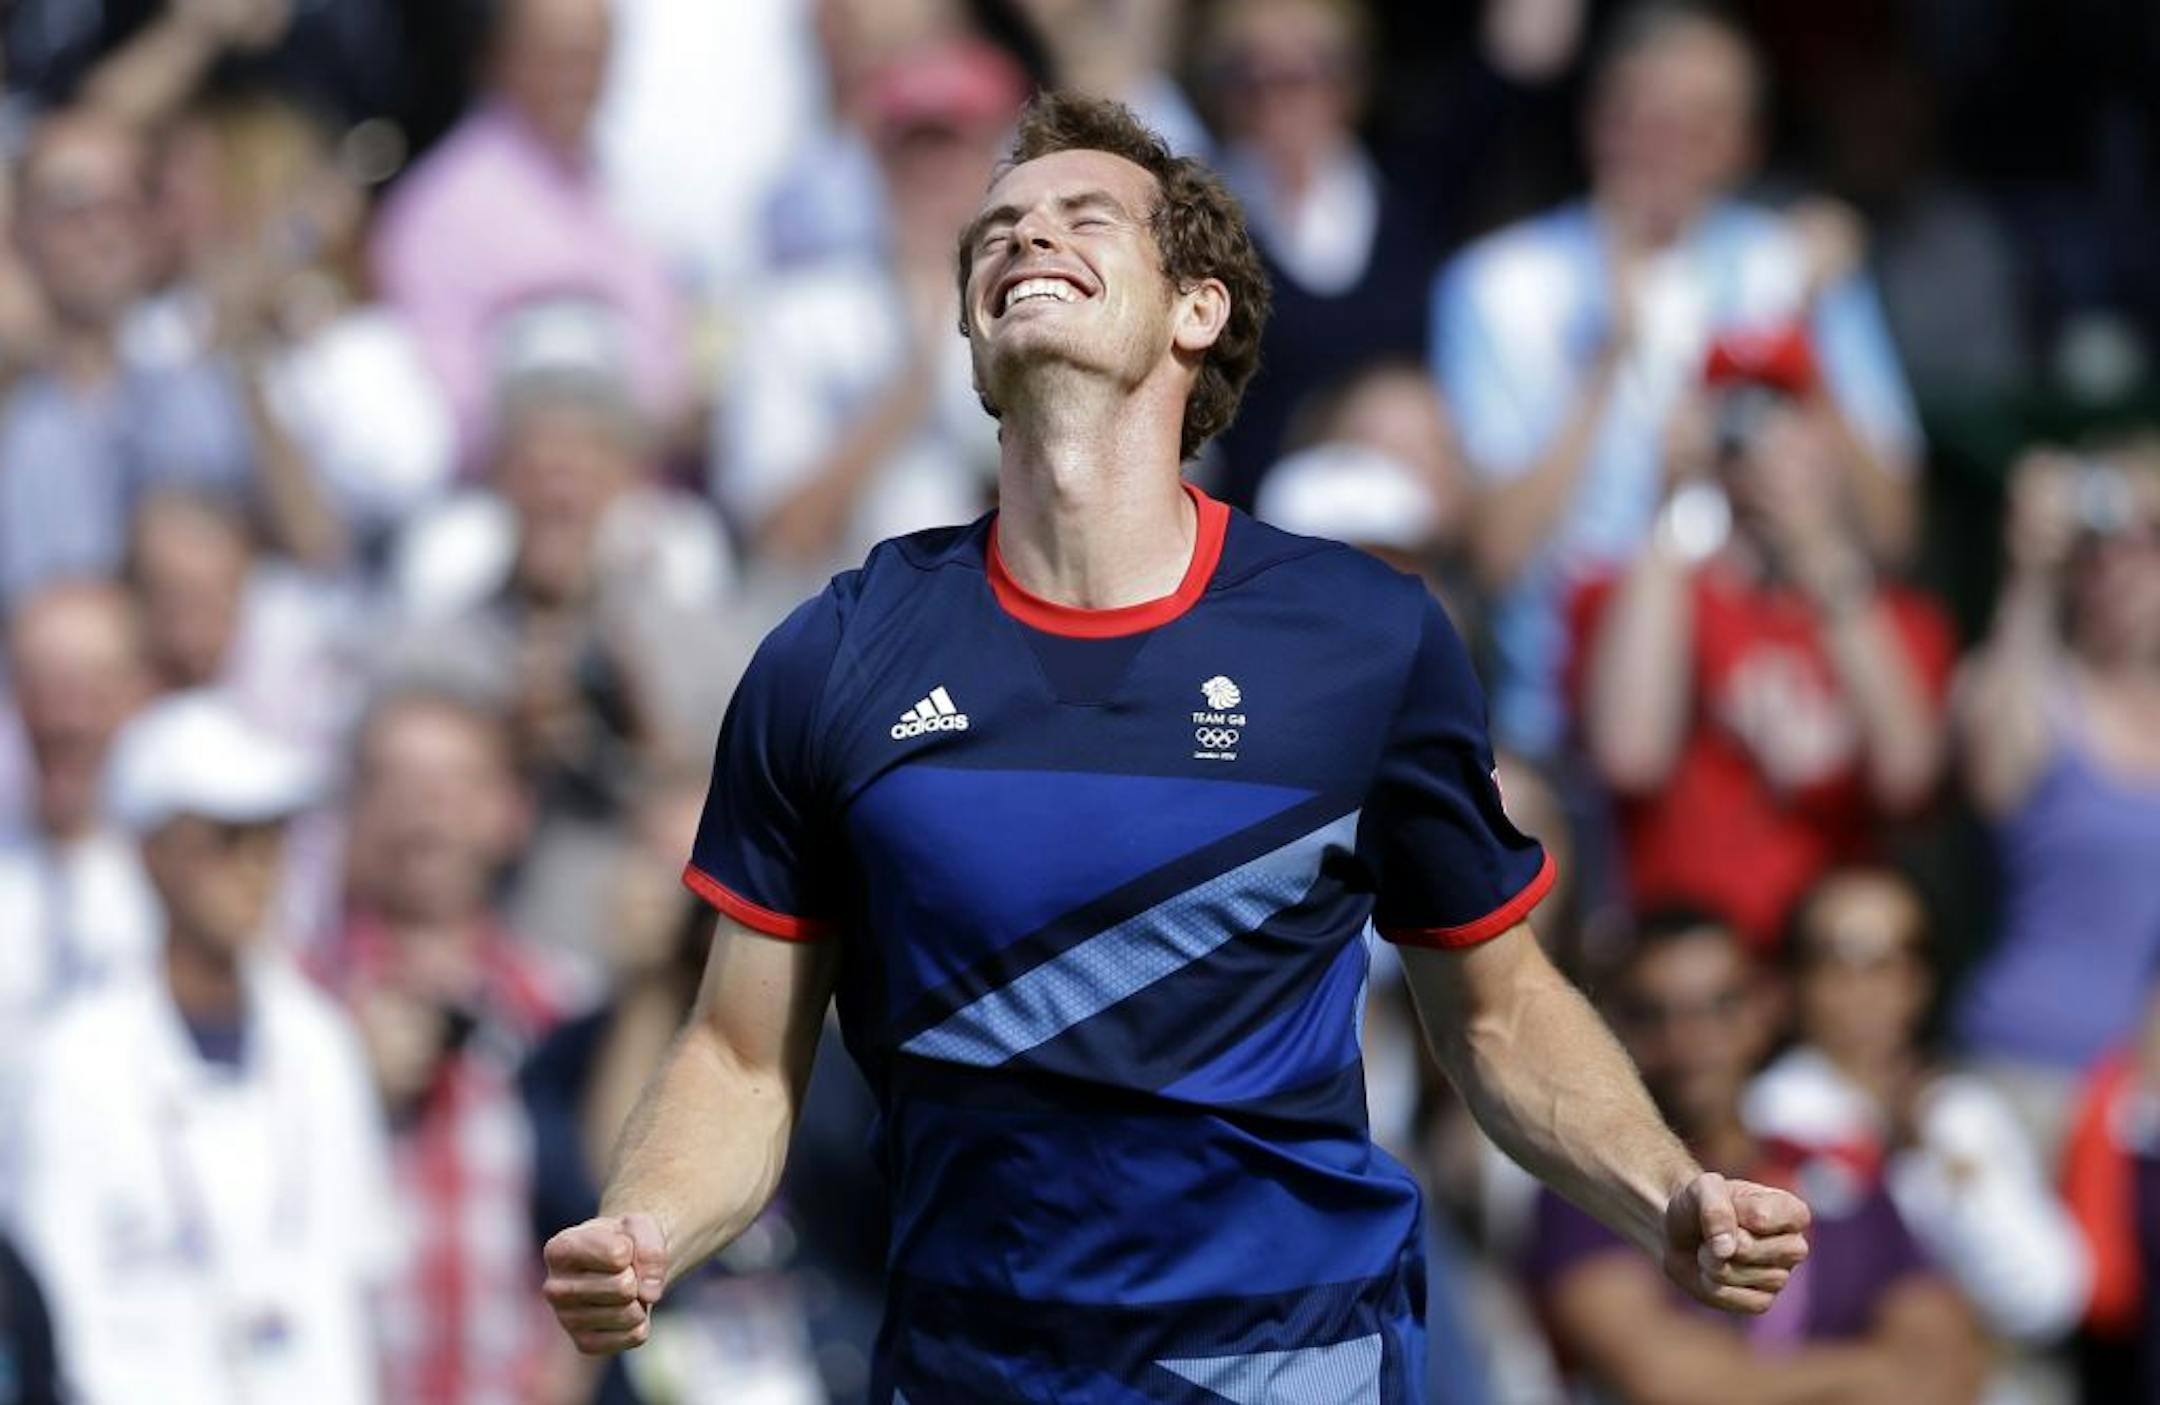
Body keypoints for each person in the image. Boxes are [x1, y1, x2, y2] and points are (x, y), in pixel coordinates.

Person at [541, 93, 1809, 1401]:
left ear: (1195, 310)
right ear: (976, 339)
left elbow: (1496, 1013)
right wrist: (650, 1221)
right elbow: (744, 1055)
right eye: (997, 233)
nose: (1026, 241)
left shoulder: (1364, 637)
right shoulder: (834, 654)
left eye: (1085, 218)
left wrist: (1663, 1186)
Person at [1431, 0, 1922, 755]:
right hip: (1562, 724)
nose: (1664, 145)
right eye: (1641, 115)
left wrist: (1807, 354)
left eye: (1700, 124)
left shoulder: (1797, 268)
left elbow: (1892, 531)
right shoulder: (1497, 285)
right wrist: (1605, 363)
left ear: (1746, 145)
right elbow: (1495, 555)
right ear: (1598, 120)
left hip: (1767, 721)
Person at [6, 692, 398, 1405]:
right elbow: (54, 1306)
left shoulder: (320, 1043)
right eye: (224, 839)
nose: (257, 867)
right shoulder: (72, 1062)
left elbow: (358, 1280)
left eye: (271, 837)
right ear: (155, 854)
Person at [1569, 332, 1954, 949]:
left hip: (1831, 970)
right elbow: (1630, 755)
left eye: (1786, 412)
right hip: (1691, 975)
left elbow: (1908, 776)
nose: (1761, 441)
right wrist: (1671, 504)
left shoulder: (1897, 618)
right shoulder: (1640, 593)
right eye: (1735, 411)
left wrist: (1819, 547)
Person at [1528, 908, 1984, 1404]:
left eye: (1719, 1006)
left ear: (1763, 1009)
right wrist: (1867, 1373)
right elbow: (1668, 1384)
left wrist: (1757, 1381)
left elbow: (1947, 1361)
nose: (1690, 1041)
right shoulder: (1591, 1191)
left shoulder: (1836, 1168)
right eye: (1653, 1013)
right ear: (1613, 1028)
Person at [310, 689, 569, 1405]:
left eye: (457, 784)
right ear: (354, 810)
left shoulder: (564, 1007)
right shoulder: (290, 1011)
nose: (427, 811)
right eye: (396, 782)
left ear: (512, 812)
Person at [716, 37, 1022, 594]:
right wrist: (904, 401)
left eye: (955, 145)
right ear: (878, 159)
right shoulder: (799, 314)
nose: (934, 170)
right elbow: (779, 535)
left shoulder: (1036, 311)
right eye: (914, 146)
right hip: (850, 632)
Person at [1744, 868, 2089, 1355]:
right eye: (1839, 958)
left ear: (1920, 979)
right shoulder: (1762, 1117)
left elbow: (2047, 1297)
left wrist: (1938, 1166)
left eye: (1888, 960)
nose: (1864, 985)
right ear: (1797, 979)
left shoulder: (1962, 1110)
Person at [0, 109, 336, 606]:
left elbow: (318, 549)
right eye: (74, 207)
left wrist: (244, 351)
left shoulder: (197, 375)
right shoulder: (19, 394)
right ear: (19, 226)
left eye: (125, 204)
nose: (103, 232)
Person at [369, 0, 690, 466]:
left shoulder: (626, 189)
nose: (577, 82)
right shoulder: (439, 210)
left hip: (638, 486)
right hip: (510, 502)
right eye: (558, 59)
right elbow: (447, 412)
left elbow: (667, 369)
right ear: (502, 60)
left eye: (591, 59)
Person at [1955, 441, 2160, 1155]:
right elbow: (1994, 783)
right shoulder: (2031, 687)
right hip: (2031, 1070)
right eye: (2098, 541)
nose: (2120, 564)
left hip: (2148, 1092)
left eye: (2151, 534)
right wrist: (2029, 571)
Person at [1196, 0, 1443, 509]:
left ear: (1349, 84)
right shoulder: (1197, 225)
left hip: (1397, 511)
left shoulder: (1406, 208)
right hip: (1259, 520)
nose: (1277, 100)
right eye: (1250, 79)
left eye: (1301, 77)